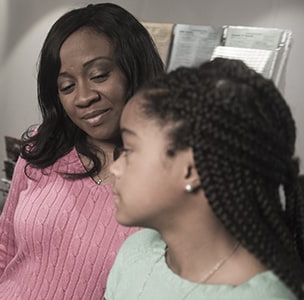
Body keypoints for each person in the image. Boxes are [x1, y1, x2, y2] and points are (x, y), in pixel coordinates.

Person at [0, 3, 164, 299]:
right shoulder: (42, 147)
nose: (84, 97)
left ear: (134, 71)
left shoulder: (171, 177)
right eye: (66, 86)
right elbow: (3, 245)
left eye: (99, 75)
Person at [106, 58, 304, 299]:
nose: (114, 168)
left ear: (191, 169)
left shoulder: (262, 296)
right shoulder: (136, 252)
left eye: (129, 149)